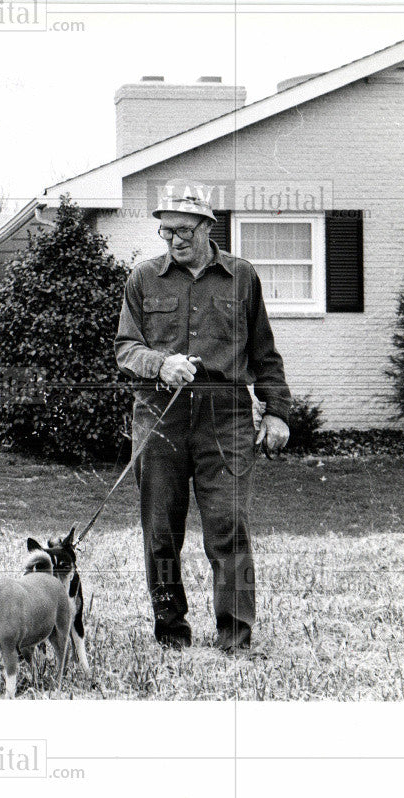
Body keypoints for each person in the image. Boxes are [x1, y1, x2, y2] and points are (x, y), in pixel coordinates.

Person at [114, 190, 291, 652]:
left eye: (183, 231)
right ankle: (171, 631)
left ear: (208, 227)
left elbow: (264, 353)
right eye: (165, 231)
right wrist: (160, 363)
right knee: (161, 530)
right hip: (159, 417)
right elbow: (125, 349)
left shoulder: (242, 277)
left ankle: (235, 637)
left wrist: (275, 411)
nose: (173, 240)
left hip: (226, 416)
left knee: (229, 525)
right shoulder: (142, 278)